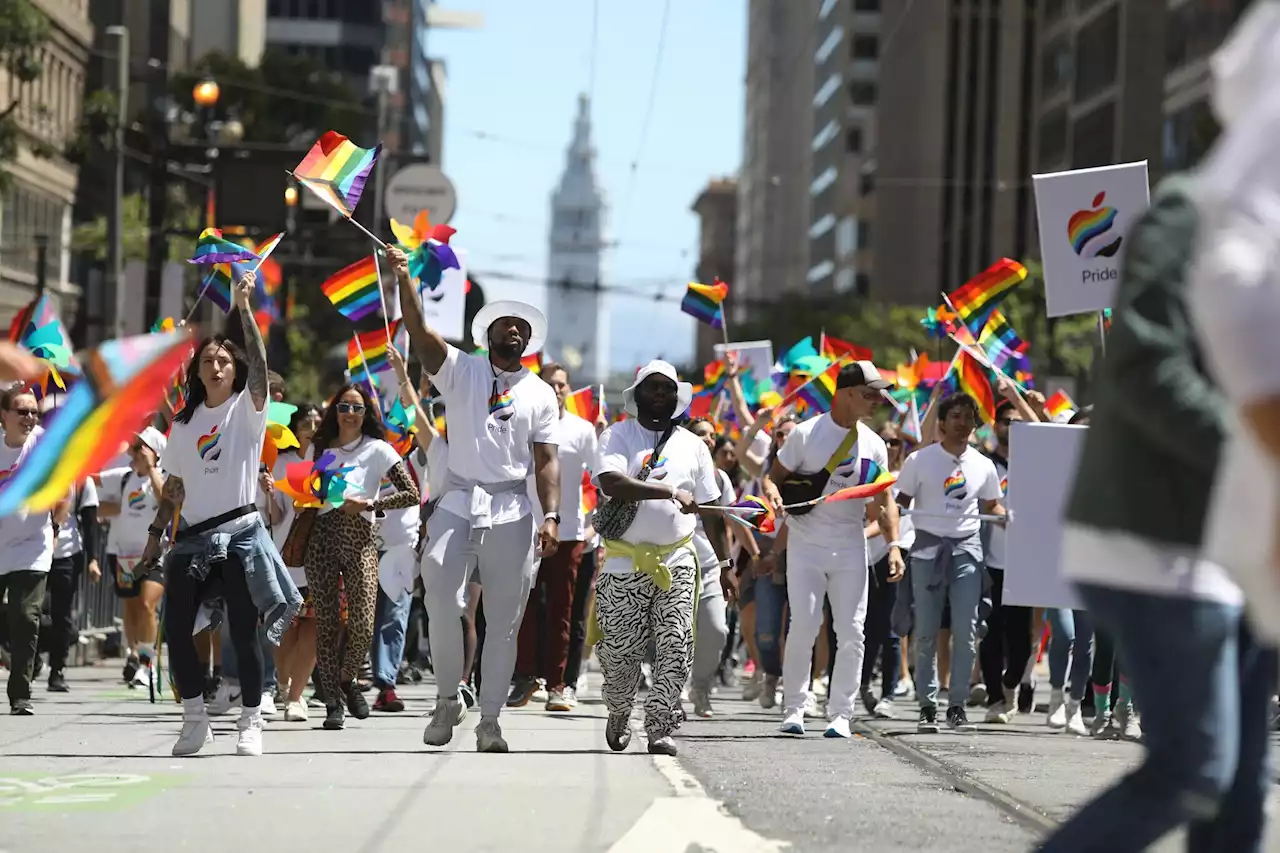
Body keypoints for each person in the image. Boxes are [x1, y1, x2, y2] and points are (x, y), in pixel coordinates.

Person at [393, 244, 561, 753]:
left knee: (503, 622)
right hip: (458, 500)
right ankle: (448, 699)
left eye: (521, 328)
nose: (513, 330)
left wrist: (550, 515)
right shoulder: (461, 371)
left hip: (512, 508)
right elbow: (421, 337)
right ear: (486, 336)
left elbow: (546, 461)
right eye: (503, 325)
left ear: (528, 341)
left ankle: (489, 721)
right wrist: (403, 279)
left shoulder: (540, 393)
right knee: (442, 597)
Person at [141, 271, 301, 757]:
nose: (215, 366)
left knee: (241, 630)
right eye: (208, 360)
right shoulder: (185, 424)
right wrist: (153, 539)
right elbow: (174, 486)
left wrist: (244, 307)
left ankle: (251, 721)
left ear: (236, 370)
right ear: (198, 372)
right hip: (191, 539)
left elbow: (261, 364)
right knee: (178, 629)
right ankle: (194, 719)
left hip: (242, 535)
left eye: (224, 360)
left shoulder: (248, 410)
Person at [593, 360, 734, 756]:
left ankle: (660, 725)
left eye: (667, 389)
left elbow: (712, 510)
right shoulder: (617, 436)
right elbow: (610, 482)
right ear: (636, 395)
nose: (660, 394)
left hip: (677, 561)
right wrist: (669, 492)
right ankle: (619, 710)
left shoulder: (694, 446)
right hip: (624, 561)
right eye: (652, 387)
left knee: (677, 643)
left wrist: (725, 566)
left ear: (676, 399)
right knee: (620, 654)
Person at [762, 361, 905, 738]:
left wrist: (893, 546)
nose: (878, 400)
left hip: (849, 544)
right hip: (806, 542)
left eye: (879, 393)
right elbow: (772, 478)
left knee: (852, 631)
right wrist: (774, 497)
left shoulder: (874, 444)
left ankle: (840, 713)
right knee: (805, 624)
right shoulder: (807, 434)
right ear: (845, 394)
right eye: (869, 393)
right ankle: (794, 708)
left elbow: (884, 500)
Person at [304, 383, 420, 730]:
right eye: (344, 407)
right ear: (334, 411)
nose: (350, 414)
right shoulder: (320, 447)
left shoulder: (379, 450)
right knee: (326, 625)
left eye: (357, 409)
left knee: (363, 624)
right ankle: (333, 704)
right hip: (322, 537)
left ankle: (347, 678)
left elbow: (411, 494)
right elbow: (310, 491)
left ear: (366, 413)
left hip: (362, 538)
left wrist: (370, 504)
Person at [895, 392, 1005, 733]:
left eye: (968, 417)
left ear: (974, 425)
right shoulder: (919, 461)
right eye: (955, 416)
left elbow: (992, 507)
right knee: (925, 633)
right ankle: (927, 705)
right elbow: (899, 502)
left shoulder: (983, 465)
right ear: (941, 423)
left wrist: (1006, 516)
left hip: (967, 554)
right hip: (928, 554)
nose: (962, 423)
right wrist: (894, 539)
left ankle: (956, 704)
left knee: (966, 631)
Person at [510, 362, 597, 712]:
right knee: (524, 607)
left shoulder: (583, 430)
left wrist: (597, 527)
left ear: (569, 389)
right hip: (523, 529)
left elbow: (603, 479)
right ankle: (526, 677)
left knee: (562, 611)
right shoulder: (522, 426)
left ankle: (560, 685)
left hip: (570, 533)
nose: (557, 389)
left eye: (562, 384)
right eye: (550, 384)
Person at [0, 388, 69, 714]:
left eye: (33, 412)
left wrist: (55, 529)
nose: (29, 418)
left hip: (33, 545)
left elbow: (63, 492)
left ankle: (20, 694)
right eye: (21, 411)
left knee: (26, 617)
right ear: (4, 416)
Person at [98, 427, 169, 690]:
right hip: (125, 555)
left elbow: (166, 502)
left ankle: (148, 664)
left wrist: (151, 470)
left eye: (142, 447)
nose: (135, 452)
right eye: (134, 446)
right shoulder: (123, 477)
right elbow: (94, 488)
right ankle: (133, 654)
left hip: (153, 554)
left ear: (155, 452)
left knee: (148, 605)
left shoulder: (163, 477)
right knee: (131, 607)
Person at [265, 403, 322, 721]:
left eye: (317, 421)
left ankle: (296, 697)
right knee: (286, 627)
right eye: (306, 421)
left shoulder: (329, 458)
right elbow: (276, 516)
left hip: (323, 556)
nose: (311, 426)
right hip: (286, 555)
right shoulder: (282, 462)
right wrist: (271, 494)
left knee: (314, 626)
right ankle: (283, 682)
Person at [47, 474, 102, 692]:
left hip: (68, 555)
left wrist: (93, 560)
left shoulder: (81, 481)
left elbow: (90, 524)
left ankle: (56, 670)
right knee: (28, 612)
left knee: (61, 615)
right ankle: (31, 662)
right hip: (34, 554)